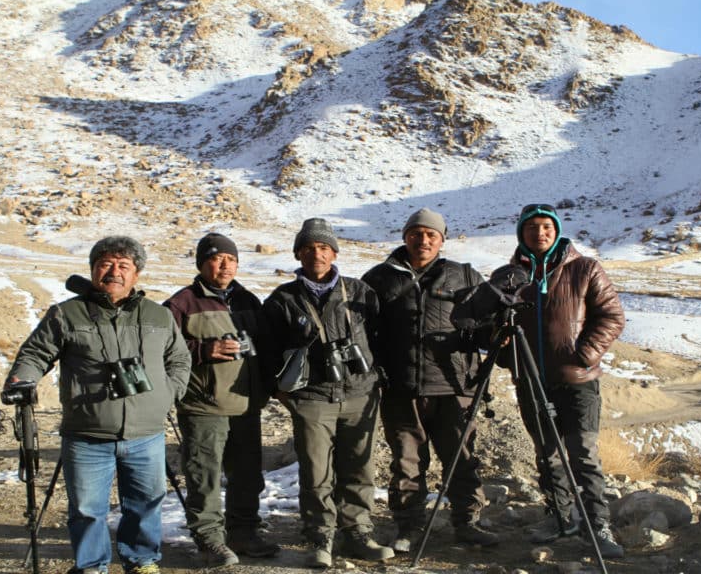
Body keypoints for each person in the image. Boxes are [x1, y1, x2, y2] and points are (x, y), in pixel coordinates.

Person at [4, 236, 191, 574]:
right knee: (88, 509)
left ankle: (142, 561)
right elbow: (35, 354)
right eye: (106, 264)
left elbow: (178, 359)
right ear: (92, 270)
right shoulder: (66, 313)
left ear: (136, 274)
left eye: (124, 266)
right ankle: (92, 566)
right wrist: (22, 379)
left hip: (146, 432)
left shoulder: (158, 315)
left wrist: (167, 394)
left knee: (146, 504)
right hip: (87, 433)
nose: (114, 272)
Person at [361, 208, 499, 552]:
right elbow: (362, 333)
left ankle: (468, 524)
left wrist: (494, 334)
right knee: (407, 463)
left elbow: (489, 325)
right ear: (405, 236)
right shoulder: (378, 279)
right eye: (416, 233)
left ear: (442, 239)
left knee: (462, 459)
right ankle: (409, 529)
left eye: (431, 235)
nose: (423, 240)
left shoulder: (464, 277)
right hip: (401, 389)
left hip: (454, 387)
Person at [263, 218, 395, 568]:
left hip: (359, 393)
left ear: (335, 252)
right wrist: (282, 392)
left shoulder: (360, 292)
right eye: (308, 248)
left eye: (323, 247)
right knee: (316, 471)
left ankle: (358, 532)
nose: (316, 254)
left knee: (359, 468)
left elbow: (384, 338)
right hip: (312, 398)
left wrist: (377, 378)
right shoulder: (283, 299)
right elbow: (267, 350)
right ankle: (321, 536)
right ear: (298, 254)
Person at [496, 204, 626, 559]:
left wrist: (584, 354)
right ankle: (560, 516)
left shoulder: (584, 268)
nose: (540, 233)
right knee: (546, 453)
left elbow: (611, 315)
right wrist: (506, 352)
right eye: (532, 227)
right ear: (521, 233)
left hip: (577, 380)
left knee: (582, 453)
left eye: (546, 227)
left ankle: (597, 523)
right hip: (530, 380)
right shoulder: (509, 277)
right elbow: (493, 324)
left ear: (556, 231)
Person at [163, 233, 280, 566]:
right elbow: (161, 350)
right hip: (202, 406)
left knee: (247, 475)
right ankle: (209, 540)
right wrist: (203, 350)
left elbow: (265, 346)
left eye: (230, 259)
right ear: (202, 264)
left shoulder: (248, 300)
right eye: (216, 258)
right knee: (205, 476)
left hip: (245, 405)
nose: (224, 265)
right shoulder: (181, 303)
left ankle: (243, 533)